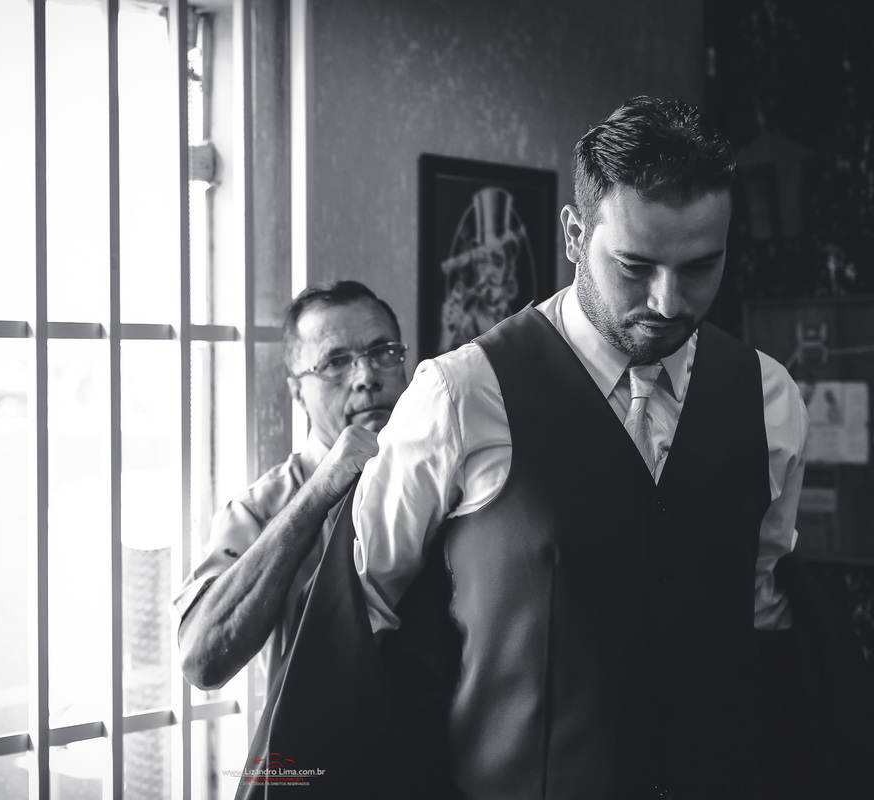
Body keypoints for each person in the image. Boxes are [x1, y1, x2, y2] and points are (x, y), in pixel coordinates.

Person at [352, 96, 813, 798]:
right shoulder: (461, 394)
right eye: (635, 264)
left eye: (701, 266)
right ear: (573, 233)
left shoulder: (770, 397)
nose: (668, 301)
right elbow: (366, 605)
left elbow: (760, 598)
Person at [175, 280, 408, 692]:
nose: (367, 376)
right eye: (336, 362)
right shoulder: (257, 510)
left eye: (383, 352)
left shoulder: (448, 473)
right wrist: (317, 494)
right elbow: (200, 660)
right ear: (297, 392)